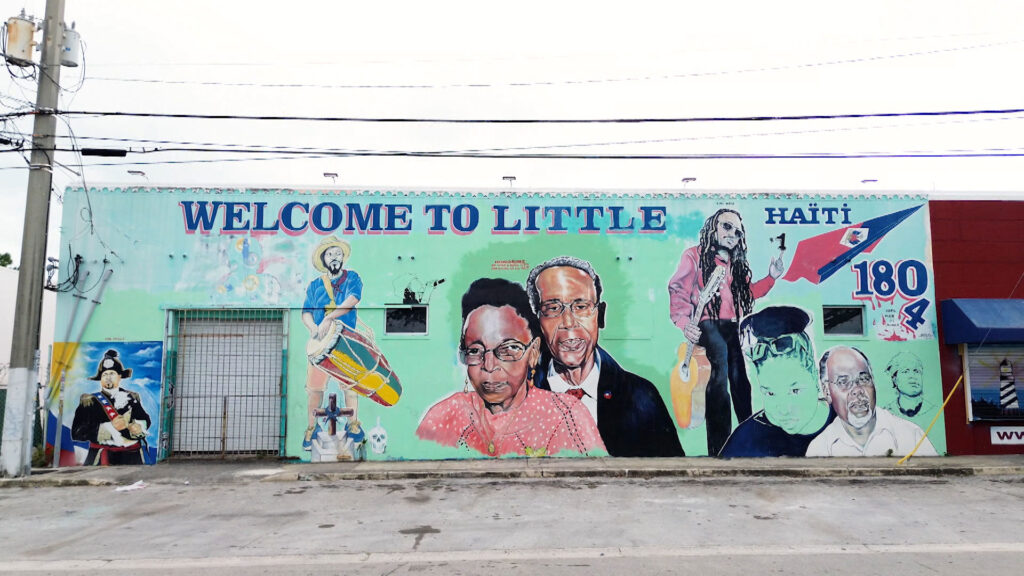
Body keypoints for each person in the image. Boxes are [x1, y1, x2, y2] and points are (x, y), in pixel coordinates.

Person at [416, 278, 605, 457]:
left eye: (509, 349)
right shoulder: (445, 415)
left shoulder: (566, 416)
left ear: (533, 353)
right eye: (475, 351)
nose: (489, 366)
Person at [527, 256, 683, 457]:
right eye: (553, 308)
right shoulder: (519, 397)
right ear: (537, 322)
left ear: (600, 315)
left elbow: (671, 471)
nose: (568, 322)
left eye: (581, 306)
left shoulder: (640, 397)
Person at [668, 208, 785, 456]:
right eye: (727, 227)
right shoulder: (694, 256)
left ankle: (747, 437)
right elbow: (678, 289)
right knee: (719, 374)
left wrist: (771, 278)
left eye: (738, 232)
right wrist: (684, 323)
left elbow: (748, 294)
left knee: (740, 379)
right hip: (707, 323)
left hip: (730, 325)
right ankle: (720, 446)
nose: (732, 234)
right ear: (713, 228)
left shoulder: (735, 264)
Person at [719, 306, 835, 458]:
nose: (784, 410)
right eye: (770, 393)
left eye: (795, 391)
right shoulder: (746, 441)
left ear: (814, 374)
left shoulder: (847, 421)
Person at [807, 346, 937, 457]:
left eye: (864, 379)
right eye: (843, 382)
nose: (858, 390)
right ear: (827, 392)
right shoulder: (820, 448)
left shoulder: (912, 437)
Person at [302, 236, 364, 449]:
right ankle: (312, 427)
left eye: (338, 253)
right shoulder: (315, 286)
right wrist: (313, 328)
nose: (334, 257)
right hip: (321, 343)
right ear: (324, 259)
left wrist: (329, 318)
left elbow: (352, 300)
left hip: (346, 340)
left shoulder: (352, 278)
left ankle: (353, 424)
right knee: (314, 388)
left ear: (343, 257)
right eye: (330, 254)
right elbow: (306, 312)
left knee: (350, 386)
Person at [71, 349, 151, 465]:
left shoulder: (132, 398)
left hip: (132, 456)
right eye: (105, 374)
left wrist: (139, 427)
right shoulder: (89, 401)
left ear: (119, 376)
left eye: (112, 373)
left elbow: (145, 419)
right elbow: (77, 432)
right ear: (100, 379)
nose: (108, 377)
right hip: (102, 457)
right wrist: (108, 428)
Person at [882, 352, 936, 420]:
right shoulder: (886, 413)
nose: (912, 376)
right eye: (905, 371)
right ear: (895, 380)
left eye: (916, 371)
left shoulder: (934, 411)